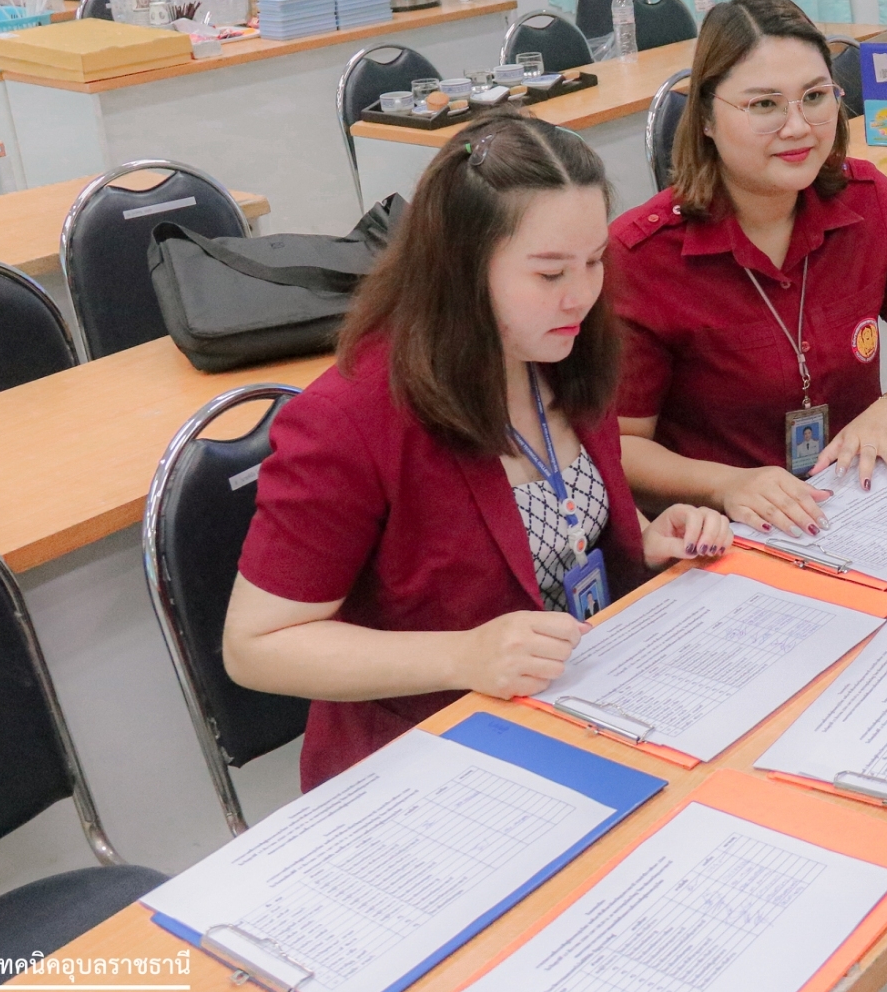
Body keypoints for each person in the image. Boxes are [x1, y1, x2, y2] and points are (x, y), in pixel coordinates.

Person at [224, 111, 731, 790]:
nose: (581, 296)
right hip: (427, 758)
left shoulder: (566, 349)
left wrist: (641, 536)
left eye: (594, 262)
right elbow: (256, 645)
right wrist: (463, 656)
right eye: (549, 273)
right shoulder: (348, 419)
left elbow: (559, 521)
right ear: (462, 269)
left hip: (578, 713)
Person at [611, 0, 887, 534]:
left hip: (851, 509)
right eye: (764, 105)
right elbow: (617, 446)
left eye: (816, 97)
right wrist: (727, 484)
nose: (798, 127)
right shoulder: (640, 256)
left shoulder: (866, 202)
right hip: (725, 535)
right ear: (705, 117)